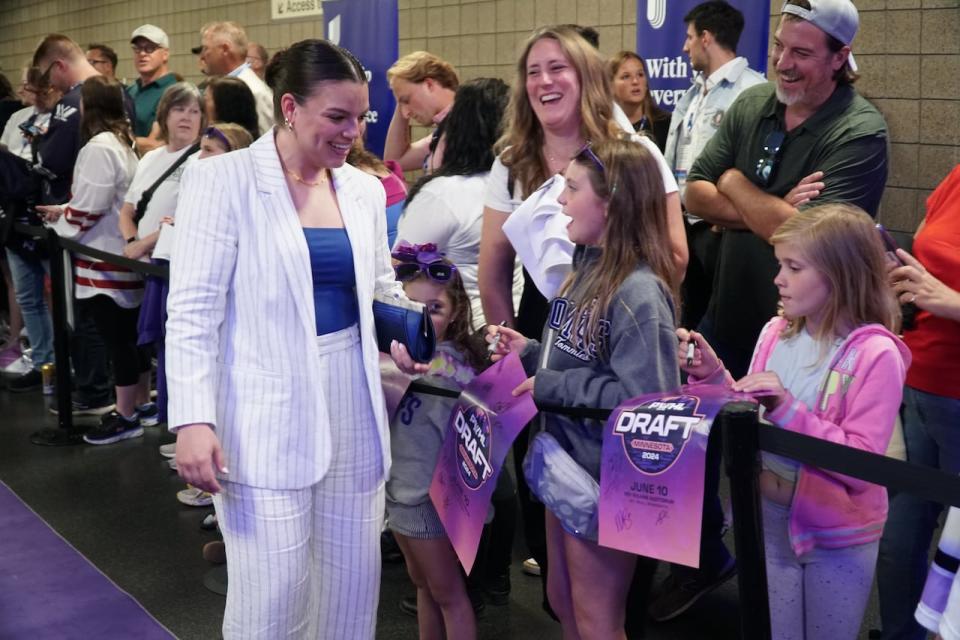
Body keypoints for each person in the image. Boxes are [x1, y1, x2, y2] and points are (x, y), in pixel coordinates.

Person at [166, 39, 419, 639]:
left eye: (360, 118)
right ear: (289, 107)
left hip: (354, 406)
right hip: (261, 417)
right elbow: (193, 310)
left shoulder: (359, 188)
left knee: (351, 594)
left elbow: (380, 286)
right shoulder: (222, 180)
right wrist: (193, 419)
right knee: (271, 599)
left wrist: (412, 326)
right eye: (336, 117)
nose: (351, 132)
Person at [662, 1, 889, 617]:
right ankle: (711, 563)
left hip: (813, 339)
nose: (784, 64)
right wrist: (768, 207)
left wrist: (736, 184)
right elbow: (693, 191)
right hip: (739, 317)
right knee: (702, 447)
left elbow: (814, 238)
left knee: (799, 466)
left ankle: (805, 580)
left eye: (803, 53)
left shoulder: (858, 130)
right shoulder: (755, 102)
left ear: (841, 59)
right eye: (780, 48)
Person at [477, 25, 686, 620]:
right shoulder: (517, 166)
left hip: (605, 393)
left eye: (557, 68)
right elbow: (495, 274)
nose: (543, 82)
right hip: (556, 367)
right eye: (533, 70)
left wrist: (561, 371)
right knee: (564, 593)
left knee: (603, 606)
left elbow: (643, 388)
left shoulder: (630, 157)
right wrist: (529, 358)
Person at [680, 203, 908, 639]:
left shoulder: (876, 354)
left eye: (793, 267)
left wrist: (786, 408)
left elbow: (861, 464)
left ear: (839, 274)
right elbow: (753, 406)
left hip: (836, 537)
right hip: (766, 520)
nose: (777, 278)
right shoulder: (775, 332)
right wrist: (713, 376)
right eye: (779, 264)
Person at [36, 75, 150, 445]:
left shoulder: (100, 146)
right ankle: (134, 408)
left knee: (118, 340)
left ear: (89, 105)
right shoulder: (121, 141)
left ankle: (126, 414)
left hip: (104, 258)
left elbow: (91, 208)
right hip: (116, 252)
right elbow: (100, 201)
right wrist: (65, 210)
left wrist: (63, 224)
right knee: (127, 339)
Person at [387, 244, 487, 640]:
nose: (422, 320)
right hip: (401, 493)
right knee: (425, 588)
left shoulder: (450, 364)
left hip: (429, 502)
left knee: (448, 594)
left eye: (435, 309)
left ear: (457, 311)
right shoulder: (395, 359)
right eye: (412, 308)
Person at [877, 165, 960, 640]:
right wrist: (903, 273)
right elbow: (927, 248)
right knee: (899, 539)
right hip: (918, 379)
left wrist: (951, 301)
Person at [662, 0, 766, 331]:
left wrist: (732, 213)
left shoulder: (753, 91)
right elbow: (669, 161)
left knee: (723, 323)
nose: (684, 47)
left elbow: (757, 168)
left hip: (722, 230)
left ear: (706, 38)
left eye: (690, 38)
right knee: (685, 319)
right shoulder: (691, 96)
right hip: (683, 225)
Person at [395, 77, 521, 329]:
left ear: (456, 127)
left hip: (464, 337)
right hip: (513, 325)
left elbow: (399, 272)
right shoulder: (517, 182)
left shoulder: (444, 194)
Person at [120, 82, 204, 263]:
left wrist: (143, 245)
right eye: (179, 109)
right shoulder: (150, 158)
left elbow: (191, 219)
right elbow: (127, 211)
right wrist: (134, 243)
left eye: (194, 111)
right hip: (144, 263)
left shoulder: (202, 160)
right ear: (165, 115)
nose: (186, 117)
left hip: (176, 261)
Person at [384, 51, 458, 173]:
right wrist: (401, 98)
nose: (405, 113)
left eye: (407, 100)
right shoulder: (442, 132)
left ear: (429, 85)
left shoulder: (472, 124)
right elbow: (394, 161)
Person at [198, 21, 274, 136]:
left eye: (206, 49)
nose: (202, 56)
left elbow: (265, 144)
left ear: (225, 49)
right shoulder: (217, 88)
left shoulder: (255, 92)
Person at [127, 24, 176, 154]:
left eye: (150, 48)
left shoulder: (174, 92)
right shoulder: (131, 90)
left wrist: (115, 140)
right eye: (137, 49)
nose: (142, 54)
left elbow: (154, 145)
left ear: (165, 54)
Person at [607, 51, 669, 150]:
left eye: (640, 75)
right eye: (626, 76)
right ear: (611, 85)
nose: (635, 81)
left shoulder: (666, 124)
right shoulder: (603, 128)